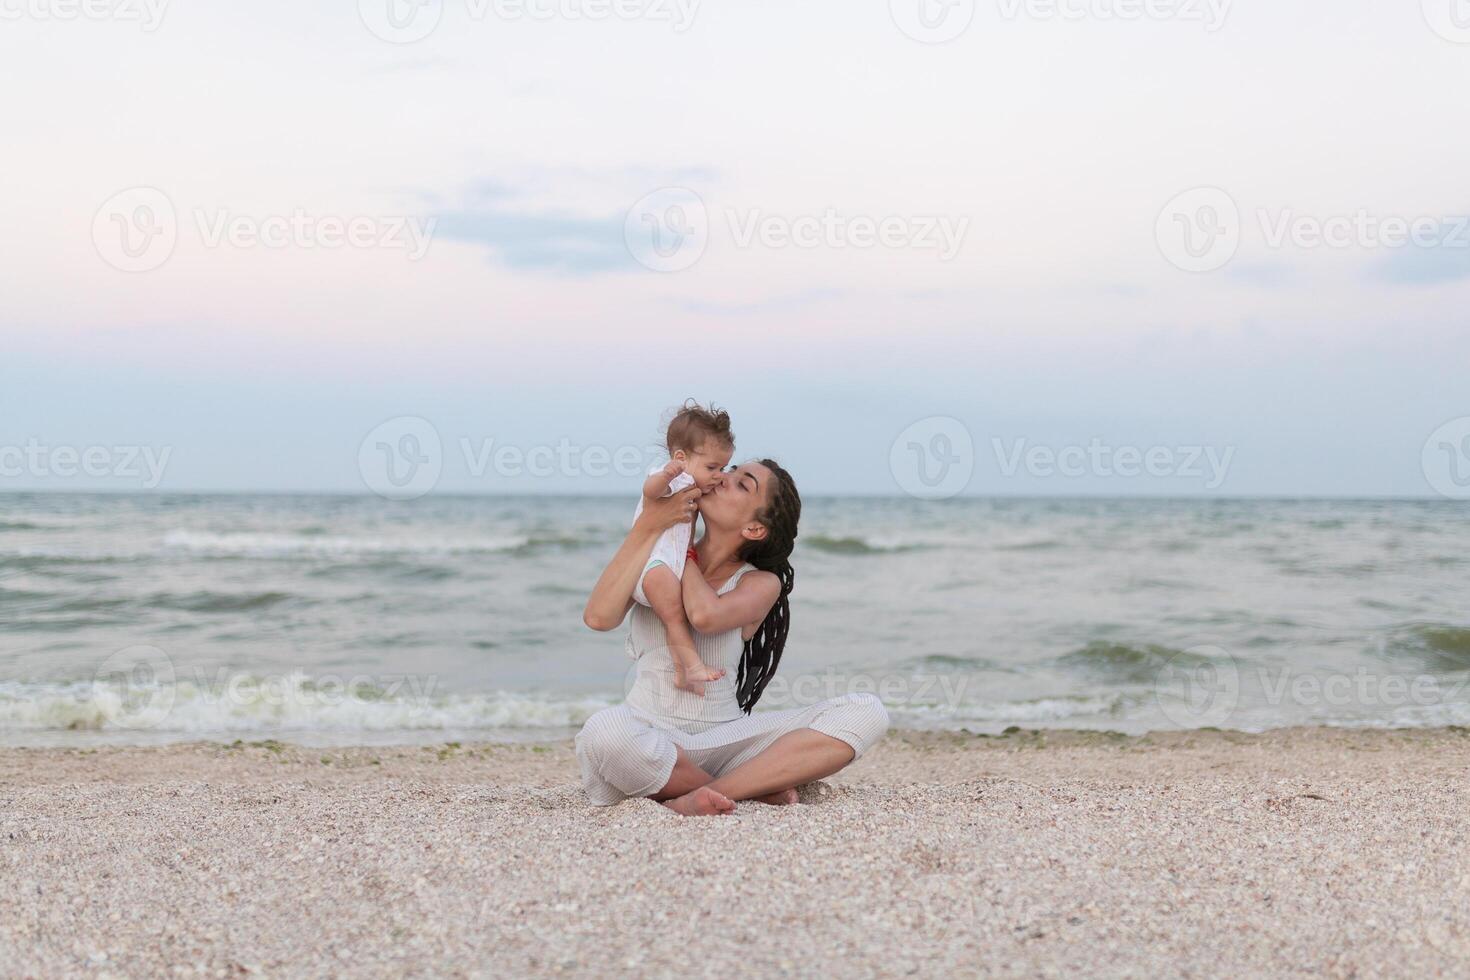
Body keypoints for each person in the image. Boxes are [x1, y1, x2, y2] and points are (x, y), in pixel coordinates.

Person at [577, 458, 888, 816]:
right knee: (605, 731)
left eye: (744, 484)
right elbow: (599, 617)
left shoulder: (758, 583)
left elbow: (706, 615)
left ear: (755, 529)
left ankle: (703, 791)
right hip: (649, 731)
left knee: (866, 710)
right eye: (730, 471)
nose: (723, 479)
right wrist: (649, 527)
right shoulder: (655, 557)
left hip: (725, 741)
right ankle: (748, 788)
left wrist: (680, 544)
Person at [631, 401, 734, 695]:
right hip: (652, 565)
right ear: (680, 458)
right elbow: (651, 491)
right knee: (675, 617)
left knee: (676, 619)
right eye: (712, 467)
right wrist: (667, 475)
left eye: (723, 467)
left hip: (669, 565)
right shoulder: (675, 477)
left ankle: (681, 673)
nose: (719, 474)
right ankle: (693, 665)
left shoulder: (697, 484)